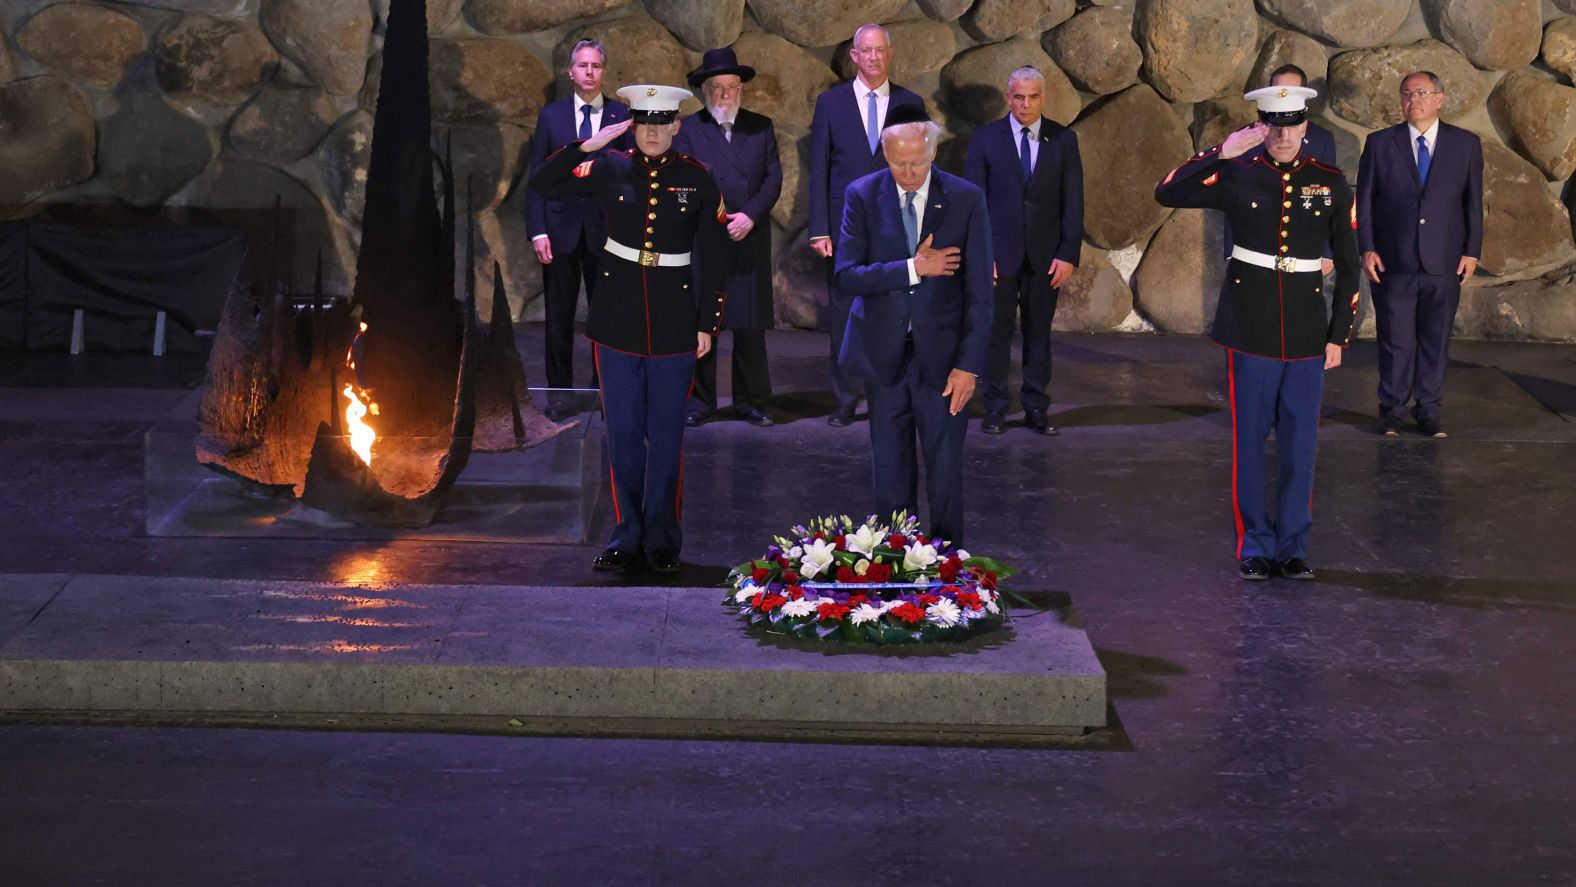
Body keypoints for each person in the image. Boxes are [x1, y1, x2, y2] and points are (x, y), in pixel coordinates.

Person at [1155, 85, 1360, 582]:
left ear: (1306, 128)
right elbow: (1168, 191)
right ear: (1261, 127)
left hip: (1309, 331)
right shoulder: (1237, 173)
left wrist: (1339, 336)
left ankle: (1292, 547)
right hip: (1249, 327)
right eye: (1274, 124)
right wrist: (1220, 152)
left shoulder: (1329, 182)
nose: (1284, 134)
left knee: (1300, 446)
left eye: (1292, 124)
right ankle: (1254, 545)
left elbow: (1349, 264)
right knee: (1248, 443)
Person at [529, 85, 730, 575]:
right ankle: (626, 536)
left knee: (665, 437)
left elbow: (717, 256)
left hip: (674, 321)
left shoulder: (697, 179)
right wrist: (590, 145)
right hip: (615, 319)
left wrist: (708, 322)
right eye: (644, 122)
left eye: (663, 122)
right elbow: (544, 182)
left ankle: (662, 540)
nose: (654, 132)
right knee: (621, 434)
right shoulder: (609, 166)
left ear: (677, 125)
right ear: (631, 125)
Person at [835, 115, 993, 547]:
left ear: (933, 153)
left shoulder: (965, 198)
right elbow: (847, 275)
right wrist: (913, 269)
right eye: (898, 164)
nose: (908, 174)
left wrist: (968, 366)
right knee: (889, 472)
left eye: (917, 164)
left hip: (943, 362)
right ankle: (895, 562)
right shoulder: (862, 196)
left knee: (944, 470)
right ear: (886, 156)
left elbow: (980, 293)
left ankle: (946, 567)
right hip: (884, 355)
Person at [808, 23, 926, 427]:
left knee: (895, 311)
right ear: (854, 56)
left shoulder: (911, 103)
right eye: (865, 51)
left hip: (897, 223)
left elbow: (924, 169)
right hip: (845, 228)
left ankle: (888, 394)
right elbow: (820, 168)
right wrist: (819, 228)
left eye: (880, 50)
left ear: (890, 54)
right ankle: (845, 397)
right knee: (844, 312)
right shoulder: (831, 103)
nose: (873, 57)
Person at [1357, 70, 1483, 438]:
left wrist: (1471, 251)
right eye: (1407, 93)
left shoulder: (1466, 144)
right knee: (1395, 338)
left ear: (1440, 99)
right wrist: (1367, 247)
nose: (1414, 100)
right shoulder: (1381, 143)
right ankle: (1391, 410)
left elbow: (1472, 202)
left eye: (1422, 92)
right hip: (1393, 259)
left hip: (1444, 260)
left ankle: (1428, 409)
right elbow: (1364, 201)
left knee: (1435, 336)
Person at [962, 66, 1083, 436]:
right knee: (995, 334)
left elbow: (1073, 201)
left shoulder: (1063, 140)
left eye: (1032, 96)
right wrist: (981, 256)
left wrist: (1068, 253)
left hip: (1046, 258)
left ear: (1042, 97)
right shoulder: (986, 139)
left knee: (1039, 334)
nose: (1025, 103)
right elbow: (973, 203)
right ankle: (996, 407)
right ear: (1007, 96)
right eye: (1018, 96)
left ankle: (1036, 407)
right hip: (998, 257)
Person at [673, 47, 783, 428]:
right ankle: (700, 401)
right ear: (705, 90)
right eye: (716, 87)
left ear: (741, 90)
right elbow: (685, 181)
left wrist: (750, 215)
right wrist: (717, 220)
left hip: (748, 237)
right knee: (705, 322)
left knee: (750, 325)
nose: (724, 95)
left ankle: (751, 401)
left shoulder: (761, 126)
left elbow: (773, 178)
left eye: (731, 87)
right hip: (706, 239)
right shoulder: (687, 129)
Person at [524, 38, 631, 421]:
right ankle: (559, 392)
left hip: (607, 232)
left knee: (608, 318)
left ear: (604, 71)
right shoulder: (552, 116)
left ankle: (605, 390)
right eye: (582, 65)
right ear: (570, 72)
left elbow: (630, 174)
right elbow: (537, 175)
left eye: (596, 66)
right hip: (560, 229)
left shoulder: (623, 115)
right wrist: (538, 230)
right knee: (559, 317)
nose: (589, 72)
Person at [1224, 64, 1337, 274]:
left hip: (1303, 251)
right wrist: (1232, 253)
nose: (1283, 99)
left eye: (1292, 93)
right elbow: (1234, 200)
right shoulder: (1244, 139)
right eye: (1277, 91)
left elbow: (1325, 197)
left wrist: (1327, 252)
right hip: (1254, 250)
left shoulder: (1322, 140)